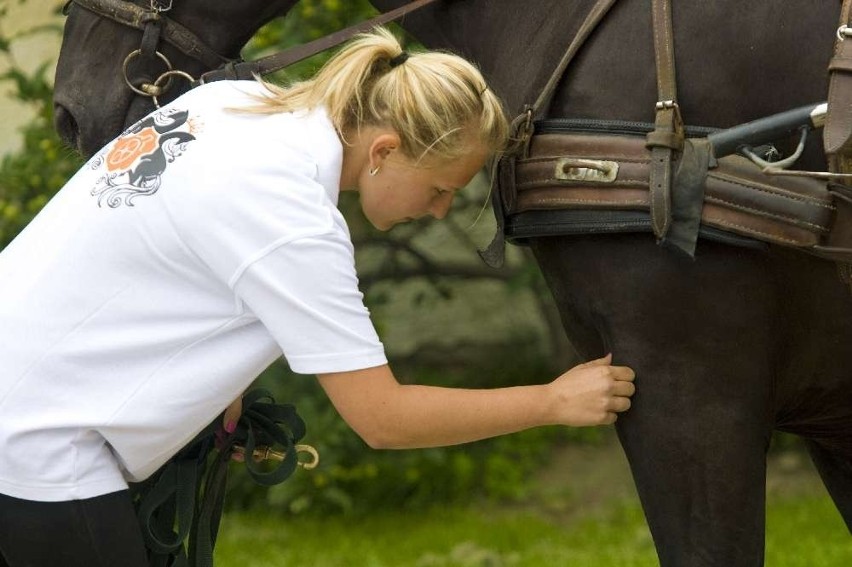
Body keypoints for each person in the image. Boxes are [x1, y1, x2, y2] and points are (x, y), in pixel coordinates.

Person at [0, 27, 635, 567]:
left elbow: (160, 255)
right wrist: (551, 400)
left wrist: (214, 388)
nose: (440, 212)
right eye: (442, 189)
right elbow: (383, 419)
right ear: (385, 151)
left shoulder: (234, 104)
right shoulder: (291, 217)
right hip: (40, 457)